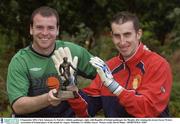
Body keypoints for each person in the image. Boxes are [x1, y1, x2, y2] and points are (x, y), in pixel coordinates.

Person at [78, 11, 173, 117]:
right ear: (112, 36)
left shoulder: (158, 65)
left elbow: (148, 110)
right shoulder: (108, 67)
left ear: (138, 34)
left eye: (127, 35)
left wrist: (115, 88)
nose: (122, 42)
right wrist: (71, 90)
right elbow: (86, 109)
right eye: (117, 36)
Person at [7, 6, 96, 117]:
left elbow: (107, 75)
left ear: (57, 30)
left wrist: (83, 95)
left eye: (50, 28)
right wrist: (48, 98)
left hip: (66, 118)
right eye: (39, 27)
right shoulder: (20, 61)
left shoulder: (74, 51)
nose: (45, 33)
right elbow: (18, 106)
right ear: (31, 29)